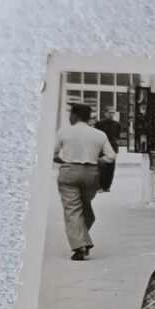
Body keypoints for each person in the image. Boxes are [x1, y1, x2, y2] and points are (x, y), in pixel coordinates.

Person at [54, 103, 116, 260]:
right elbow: (111, 157)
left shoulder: (64, 132)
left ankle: (80, 247)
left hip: (69, 172)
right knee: (85, 209)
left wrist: (63, 160)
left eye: (70, 115)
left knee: (73, 210)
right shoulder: (99, 134)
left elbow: (53, 153)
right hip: (91, 174)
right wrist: (97, 161)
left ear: (74, 115)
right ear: (89, 117)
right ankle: (83, 240)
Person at [94, 109, 123, 192]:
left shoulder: (117, 124)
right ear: (105, 113)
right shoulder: (99, 124)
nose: (111, 114)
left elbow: (117, 136)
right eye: (109, 113)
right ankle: (100, 186)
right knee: (101, 167)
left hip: (112, 147)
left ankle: (107, 186)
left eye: (112, 113)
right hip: (101, 147)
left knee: (111, 168)